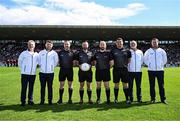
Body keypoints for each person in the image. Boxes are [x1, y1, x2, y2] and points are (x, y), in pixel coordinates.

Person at [144, 38, 167, 104]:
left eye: (155, 42)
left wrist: (160, 65)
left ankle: (163, 99)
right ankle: (153, 99)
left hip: (160, 70)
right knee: (152, 85)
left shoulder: (162, 51)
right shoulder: (148, 51)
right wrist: (150, 65)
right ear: (151, 43)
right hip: (151, 70)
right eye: (153, 42)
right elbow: (145, 59)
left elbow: (165, 59)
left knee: (161, 85)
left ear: (158, 42)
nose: (154, 43)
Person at [110, 37, 131, 104]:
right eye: (118, 42)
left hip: (124, 70)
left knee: (125, 85)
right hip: (116, 70)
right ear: (116, 43)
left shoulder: (127, 50)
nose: (119, 43)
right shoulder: (113, 51)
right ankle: (116, 99)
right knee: (116, 85)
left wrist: (124, 65)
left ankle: (127, 99)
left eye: (120, 42)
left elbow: (129, 60)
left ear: (122, 43)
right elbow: (111, 61)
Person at [18, 40, 39, 106]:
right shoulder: (24, 53)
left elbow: (38, 63)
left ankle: (30, 100)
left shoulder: (37, 54)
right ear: (28, 45)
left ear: (34, 45)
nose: (31, 45)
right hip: (24, 74)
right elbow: (19, 62)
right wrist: (23, 70)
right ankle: (23, 101)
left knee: (31, 88)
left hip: (33, 74)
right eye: (29, 44)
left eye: (32, 44)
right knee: (24, 88)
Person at [38, 40, 58, 105]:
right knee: (42, 87)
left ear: (52, 45)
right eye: (47, 44)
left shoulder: (54, 53)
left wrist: (51, 68)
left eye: (50, 44)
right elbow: (39, 61)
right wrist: (42, 67)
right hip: (42, 73)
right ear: (45, 45)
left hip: (50, 73)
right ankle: (42, 100)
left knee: (50, 87)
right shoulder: (41, 52)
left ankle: (50, 100)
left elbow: (56, 62)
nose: (48, 45)